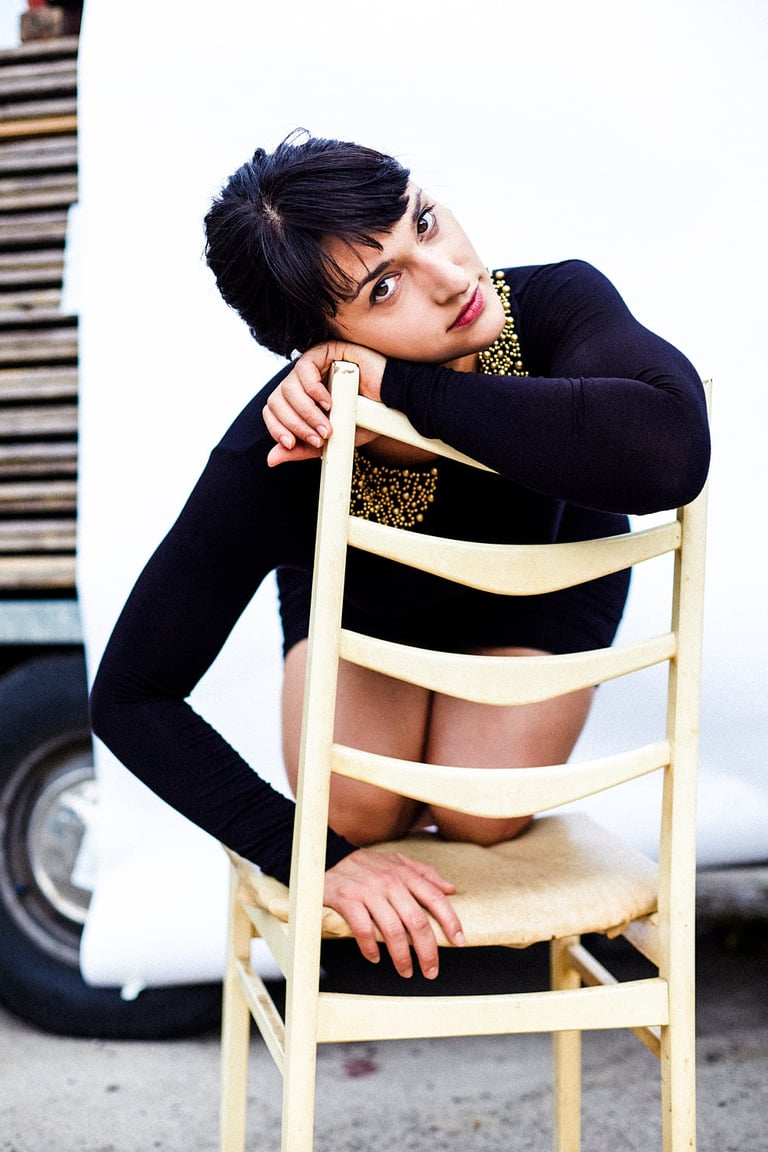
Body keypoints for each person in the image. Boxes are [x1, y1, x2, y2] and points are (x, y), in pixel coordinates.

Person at [89, 131, 710, 984]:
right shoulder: (283, 446)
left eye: (426, 221)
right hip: (368, 613)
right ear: (313, 339)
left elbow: (672, 448)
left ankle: (455, 764)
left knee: (480, 813)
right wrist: (310, 855)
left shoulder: (555, 303)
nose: (452, 276)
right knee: (356, 805)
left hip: (544, 583)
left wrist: (395, 384)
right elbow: (130, 694)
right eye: (385, 288)